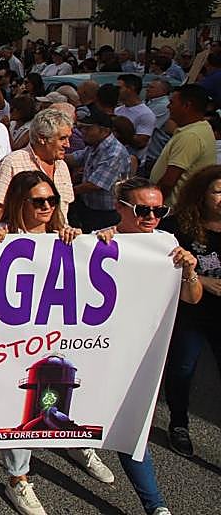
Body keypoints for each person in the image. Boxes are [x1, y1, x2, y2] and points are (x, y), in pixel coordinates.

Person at [0, 171, 117, 513]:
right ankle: (18, 478)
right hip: (14, 337)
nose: (47, 207)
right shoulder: (2, 237)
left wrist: (98, 238)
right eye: (38, 201)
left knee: (70, 389)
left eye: (52, 201)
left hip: (60, 332)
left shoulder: (67, 237)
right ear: (19, 203)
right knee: (21, 404)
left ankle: (78, 443)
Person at [90, 178, 199, 515]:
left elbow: (191, 299)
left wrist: (190, 271)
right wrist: (93, 247)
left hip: (145, 355)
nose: (152, 217)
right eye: (143, 210)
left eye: (159, 210)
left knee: (131, 424)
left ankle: (156, 506)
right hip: (101, 351)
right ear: (120, 208)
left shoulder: (167, 244)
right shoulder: (100, 241)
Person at [157, 164, 221, 459]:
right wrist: (203, 280)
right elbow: (160, 259)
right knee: (182, 368)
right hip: (190, 310)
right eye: (218, 191)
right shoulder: (180, 225)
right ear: (201, 193)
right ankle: (179, 423)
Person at [0, 108, 75, 224]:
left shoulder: (62, 167)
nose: (68, 145)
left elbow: (64, 212)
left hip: (55, 240)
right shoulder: (12, 163)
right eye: (62, 139)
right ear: (42, 138)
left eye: (68, 138)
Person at [66, 108, 129, 230]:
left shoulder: (114, 153)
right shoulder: (95, 145)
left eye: (88, 128)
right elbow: (75, 158)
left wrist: (66, 193)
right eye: (81, 128)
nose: (83, 132)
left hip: (107, 213)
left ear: (104, 130)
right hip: (90, 207)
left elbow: (95, 185)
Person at [151, 84, 214, 204]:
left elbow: (169, 181)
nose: (168, 106)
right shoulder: (200, 129)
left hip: (171, 210)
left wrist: (152, 205)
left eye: (172, 103)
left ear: (186, 106)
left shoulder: (191, 136)